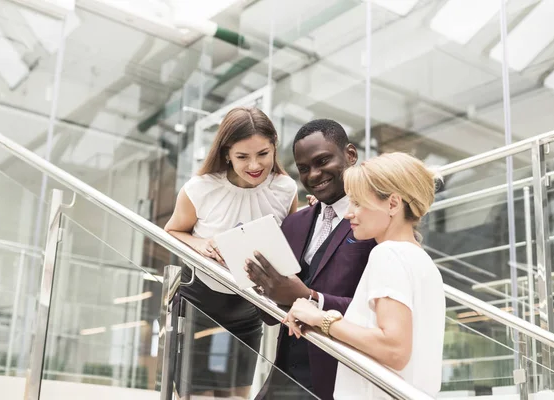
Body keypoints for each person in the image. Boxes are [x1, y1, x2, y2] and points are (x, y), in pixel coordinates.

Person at [283, 152, 446, 399]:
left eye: (358, 202)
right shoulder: (421, 260)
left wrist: (320, 319)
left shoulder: (388, 254)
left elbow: (394, 349)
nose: (349, 213)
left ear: (393, 204)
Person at [164, 106, 298, 398]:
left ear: (274, 146)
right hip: (198, 307)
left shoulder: (285, 189)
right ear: (226, 153)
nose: (254, 165)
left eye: (263, 154)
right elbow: (172, 231)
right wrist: (200, 244)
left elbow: (289, 243)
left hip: (247, 309)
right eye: (242, 157)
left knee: (236, 397)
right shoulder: (200, 189)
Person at [245, 119, 376, 400]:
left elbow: (376, 310)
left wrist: (311, 297)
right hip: (283, 377)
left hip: (341, 377)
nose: (314, 175)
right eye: (304, 169)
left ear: (350, 155)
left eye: (323, 161)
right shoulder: (293, 224)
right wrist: (263, 287)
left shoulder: (375, 220)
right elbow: (270, 316)